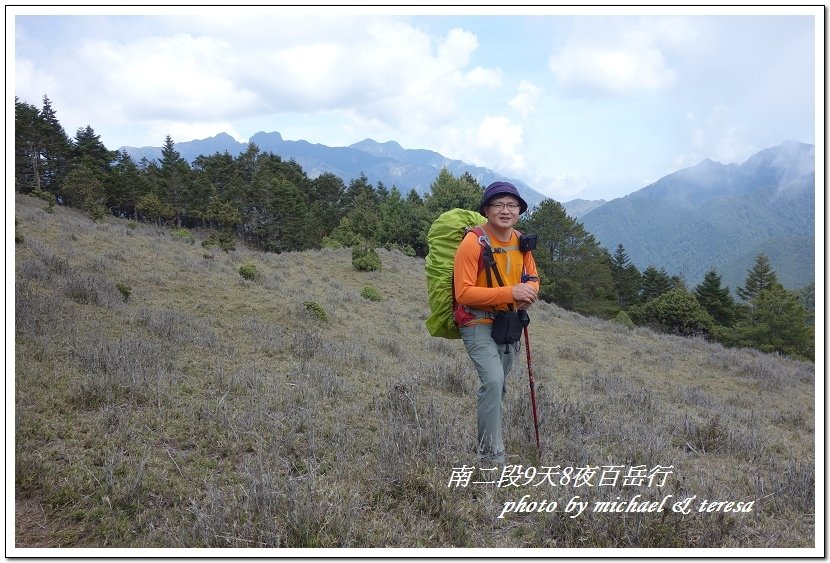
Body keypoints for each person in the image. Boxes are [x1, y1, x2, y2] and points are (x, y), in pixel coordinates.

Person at [453, 181, 540, 467]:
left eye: (512, 205)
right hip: (476, 321)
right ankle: (492, 460)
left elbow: (531, 278)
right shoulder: (472, 243)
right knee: (492, 382)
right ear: (487, 210)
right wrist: (510, 293)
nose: (506, 210)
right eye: (498, 205)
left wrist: (529, 294)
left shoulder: (521, 242)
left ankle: (489, 444)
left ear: (519, 211)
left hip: (508, 324)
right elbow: (463, 292)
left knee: (498, 387)